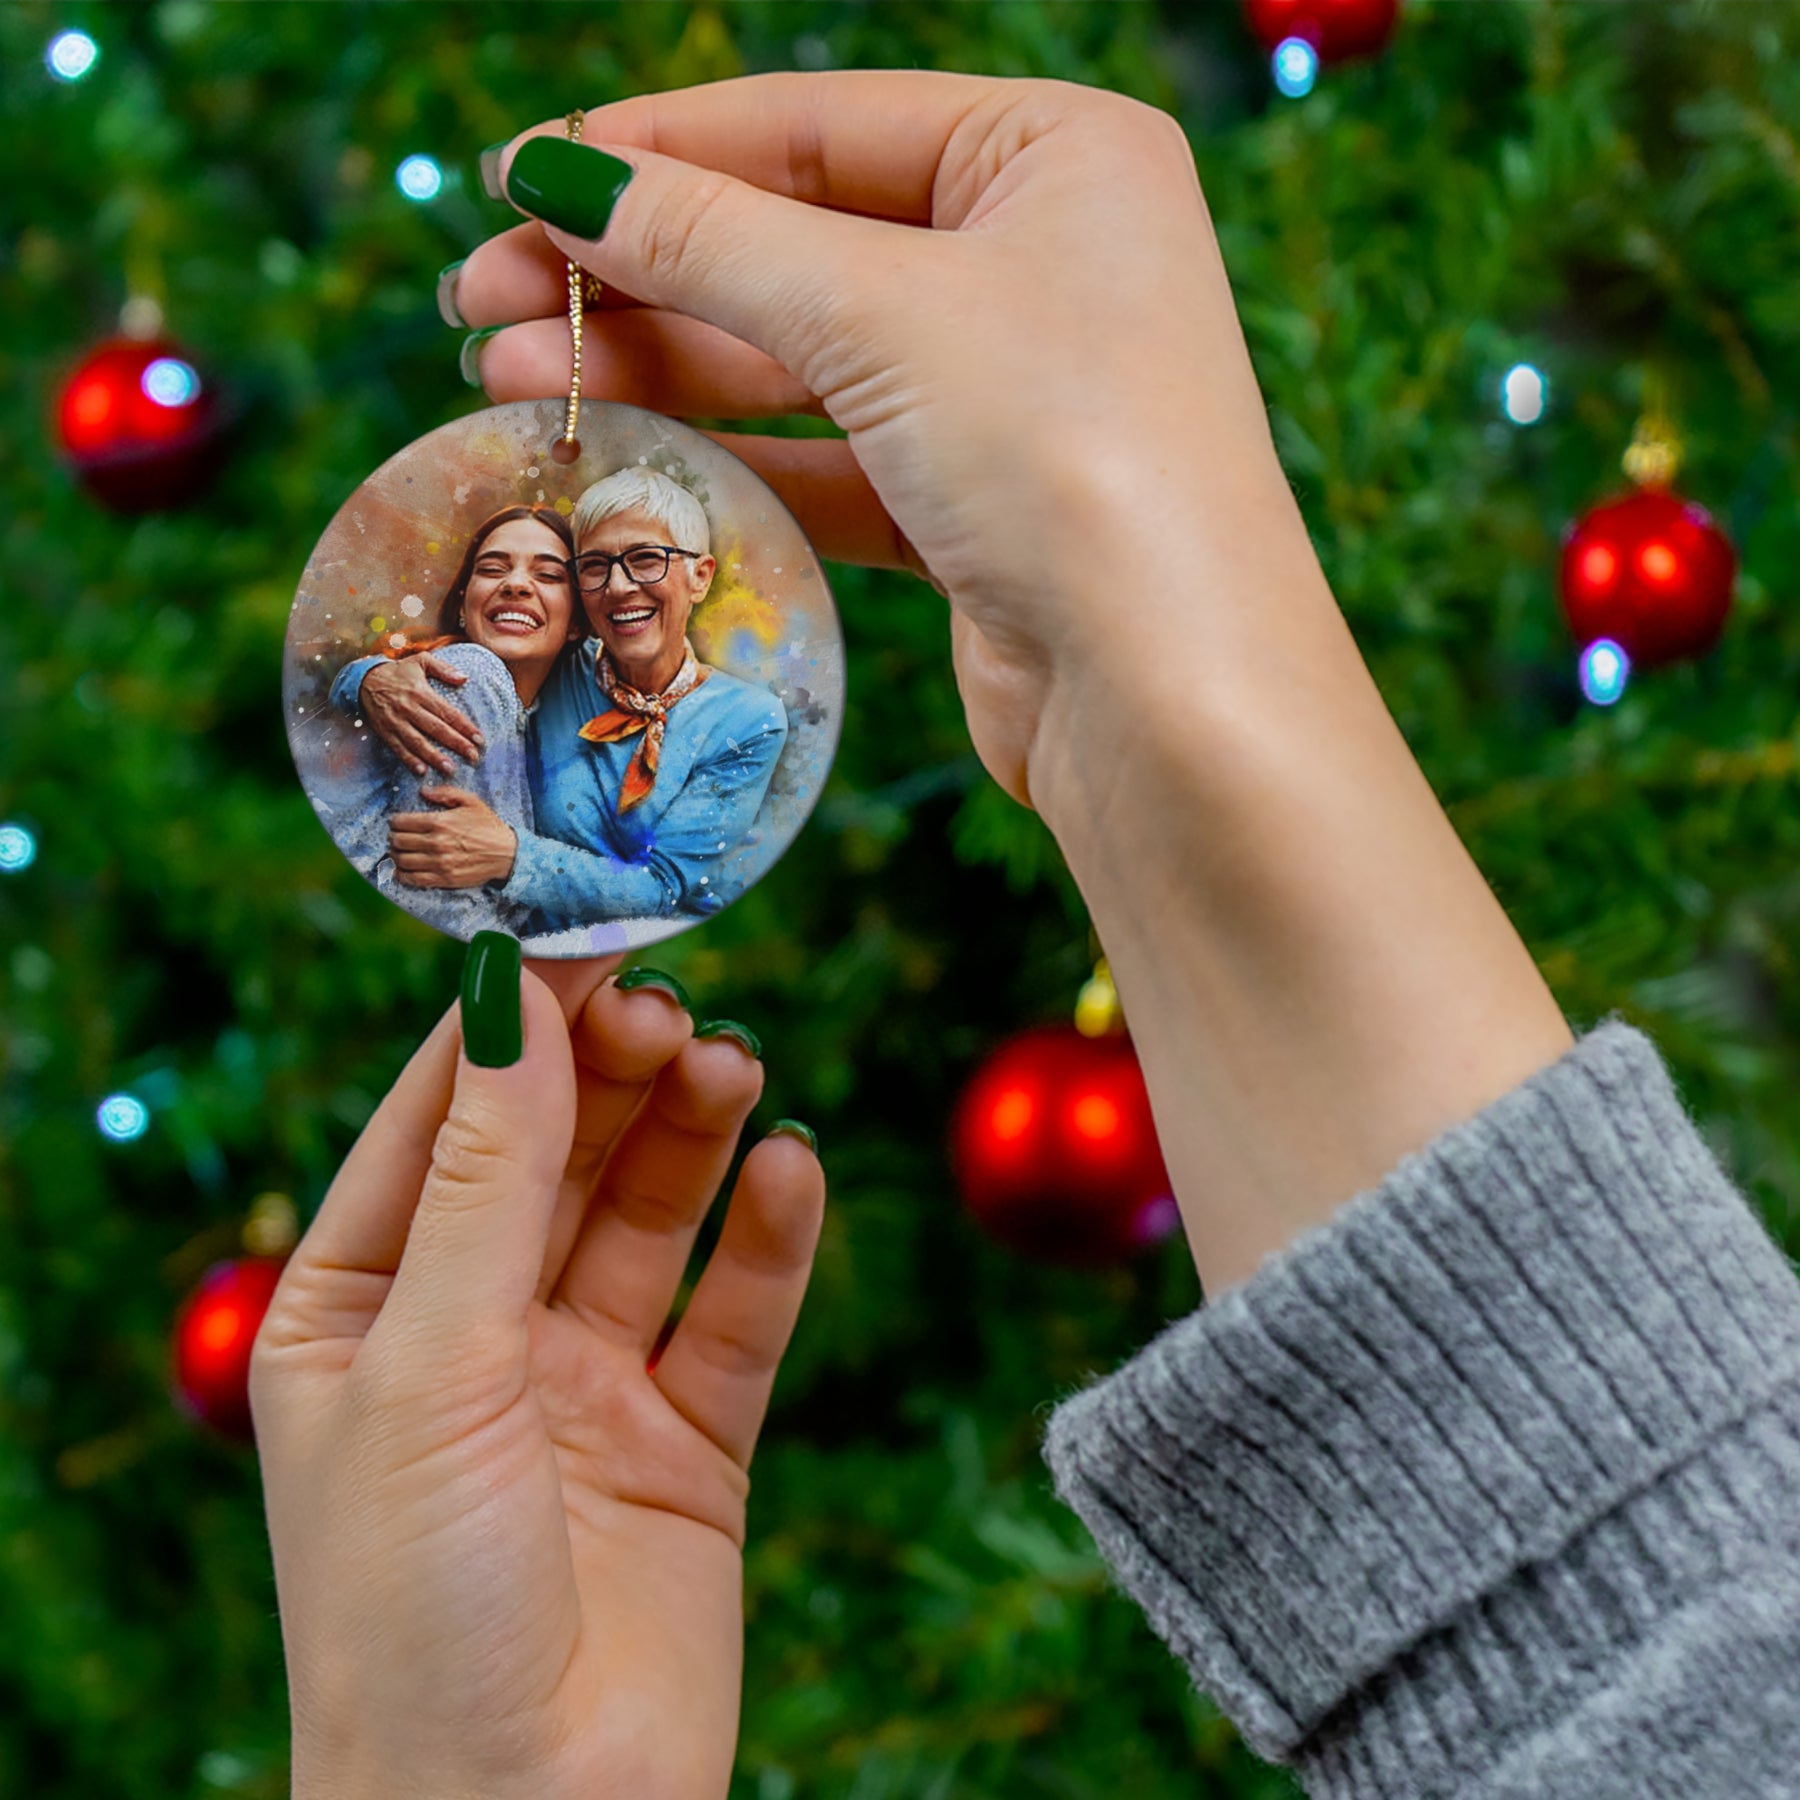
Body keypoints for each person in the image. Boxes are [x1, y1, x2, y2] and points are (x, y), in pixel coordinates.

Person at [251, 70, 1800, 1800]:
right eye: (567, 576)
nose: (596, 598)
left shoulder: (738, 724)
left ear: (689, 590)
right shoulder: (512, 690)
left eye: (630, 575)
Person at [337, 467, 788, 931]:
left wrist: (511, 855)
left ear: (700, 576)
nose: (618, 586)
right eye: (594, 566)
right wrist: (367, 678)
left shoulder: (747, 721)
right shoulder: (550, 665)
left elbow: (665, 887)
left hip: (640, 948)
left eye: (647, 559)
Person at [323, 502, 581, 938]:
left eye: (549, 575)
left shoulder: (552, 730)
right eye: (493, 569)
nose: (516, 584)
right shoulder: (468, 674)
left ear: (576, 623)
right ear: (464, 604)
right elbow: (434, 889)